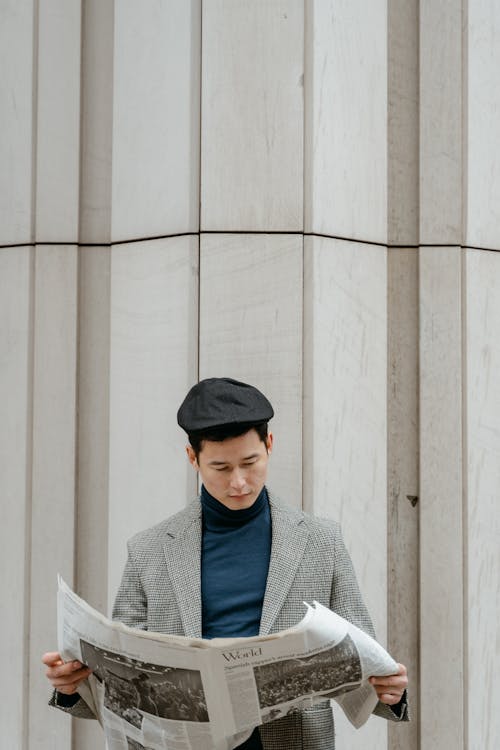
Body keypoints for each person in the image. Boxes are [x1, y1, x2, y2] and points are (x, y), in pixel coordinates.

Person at [43, 377, 409, 749]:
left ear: (269, 445)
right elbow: (122, 677)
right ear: (193, 458)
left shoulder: (321, 541)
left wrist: (387, 691)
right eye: (220, 468)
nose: (239, 482)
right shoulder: (149, 551)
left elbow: (361, 655)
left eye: (250, 462)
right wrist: (74, 686)